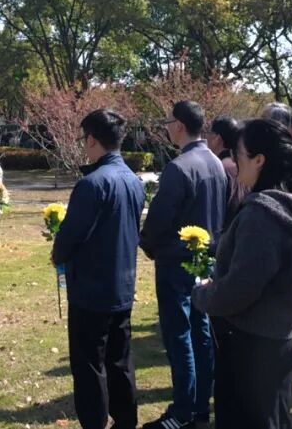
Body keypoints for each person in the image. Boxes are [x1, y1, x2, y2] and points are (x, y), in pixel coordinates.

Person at [192, 119, 292, 429]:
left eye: (238, 154)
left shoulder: (262, 214)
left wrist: (204, 294)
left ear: (259, 160)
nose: (234, 162)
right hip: (279, 337)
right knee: (273, 417)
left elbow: (241, 288)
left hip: (251, 344)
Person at [52, 109, 145, 429]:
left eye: (84, 139)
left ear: (92, 140)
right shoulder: (133, 181)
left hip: (91, 289)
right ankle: (126, 420)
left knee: (89, 364)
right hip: (122, 284)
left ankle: (95, 422)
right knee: (120, 359)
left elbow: (70, 236)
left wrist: (58, 254)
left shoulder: (92, 184)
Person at [140, 100, 227, 429]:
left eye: (167, 122)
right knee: (200, 333)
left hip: (177, 262)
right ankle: (200, 406)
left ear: (178, 125)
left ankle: (183, 411)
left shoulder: (179, 167)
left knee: (180, 336)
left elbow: (159, 219)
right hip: (206, 261)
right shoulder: (216, 162)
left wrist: (148, 245)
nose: (166, 128)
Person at [206, 116, 246, 230]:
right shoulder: (242, 165)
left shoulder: (220, 168)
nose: (205, 137)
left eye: (209, 133)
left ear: (217, 139)